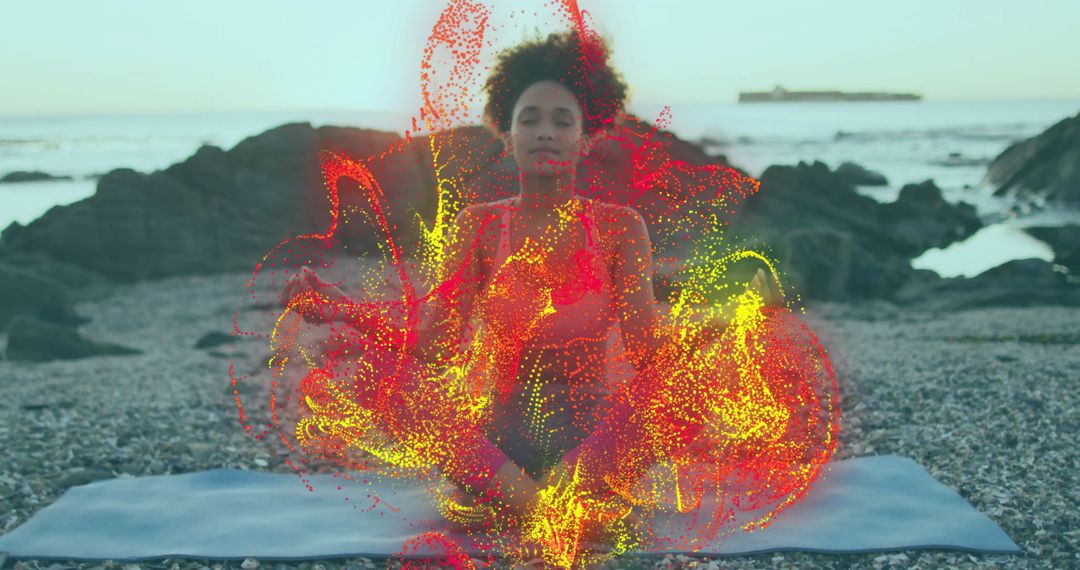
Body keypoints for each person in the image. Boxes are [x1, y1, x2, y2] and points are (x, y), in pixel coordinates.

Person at [280, 29, 798, 561]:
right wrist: (342, 309)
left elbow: (647, 351)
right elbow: (437, 344)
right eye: (529, 119)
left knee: (692, 379)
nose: (544, 132)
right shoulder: (478, 225)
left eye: (561, 120)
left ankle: (539, 504)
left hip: (594, 449)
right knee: (376, 371)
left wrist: (730, 317)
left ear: (586, 137)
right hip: (497, 450)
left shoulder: (621, 228)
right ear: (506, 133)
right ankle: (544, 506)